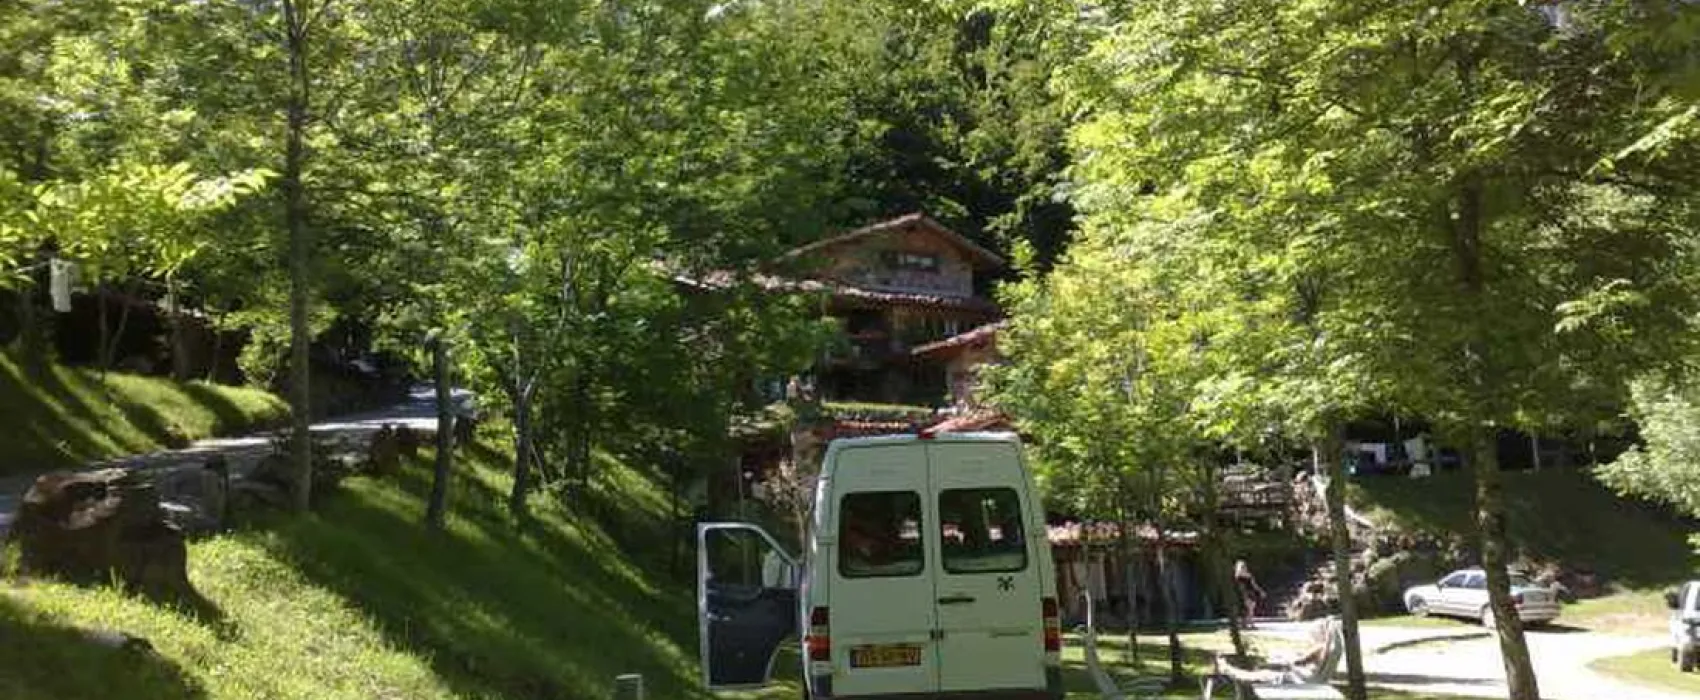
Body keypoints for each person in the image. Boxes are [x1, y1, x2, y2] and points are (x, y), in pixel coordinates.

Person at [1214, 616, 1340, 685]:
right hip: (1306, 680)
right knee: (1260, 672)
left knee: (1259, 674)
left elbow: (1297, 662)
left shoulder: (1319, 648)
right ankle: (1227, 672)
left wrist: (1281, 661)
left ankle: (1226, 670)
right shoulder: (1327, 650)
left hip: (1297, 681)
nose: (1311, 638)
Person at [1234, 559, 1266, 627]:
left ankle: (1250, 623)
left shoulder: (1249, 576)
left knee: (1251, 608)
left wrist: (1260, 591)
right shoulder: (1236, 577)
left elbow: (1254, 585)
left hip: (1249, 593)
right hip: (1241, 593)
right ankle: (1245, 623)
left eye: (1244, 566)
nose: (1244, 568)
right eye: (1242, 567)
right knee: (1245, 609)